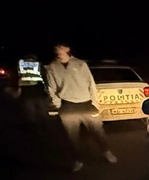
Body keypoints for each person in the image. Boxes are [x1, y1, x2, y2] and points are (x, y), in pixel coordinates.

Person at [45, 42, 116, 171]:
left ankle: (106, 151)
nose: (58, 50)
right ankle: (77, 160)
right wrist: (57, 105)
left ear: (67, 49)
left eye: (60, 47)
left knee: (98, 132)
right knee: (71, 137)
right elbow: (51, 88)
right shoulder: (52, 67)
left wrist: (95, 103)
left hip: (86, 104)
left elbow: (91, 84)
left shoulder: (80, 64)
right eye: (56, 48)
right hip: (67, 106)